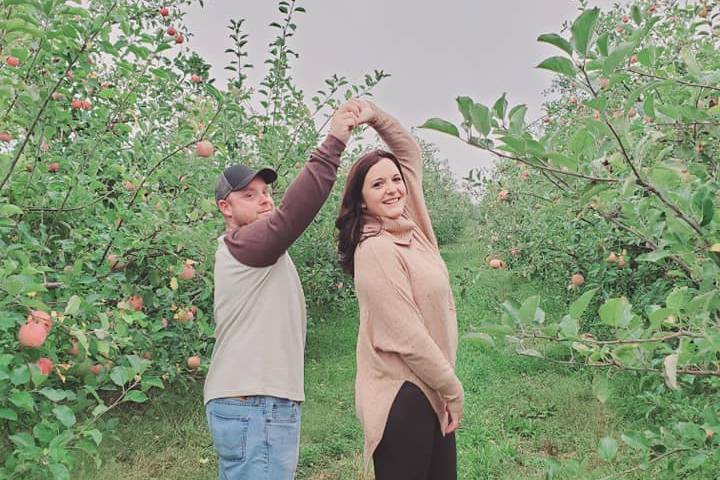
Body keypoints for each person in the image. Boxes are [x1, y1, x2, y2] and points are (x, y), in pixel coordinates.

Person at [204, 101, 360, 479]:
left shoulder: (254, 251)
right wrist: (334, 141)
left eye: (266, 192)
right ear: (226, 207)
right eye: (249, 195)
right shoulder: (246, 243)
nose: (265, 199)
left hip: (252, 403)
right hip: (256, 405)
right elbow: (294, 213)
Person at [335, 100, 464, 479]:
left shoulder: (413, 227)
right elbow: (408, 338)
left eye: (395, 180)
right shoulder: (375, 249)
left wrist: (373, 115)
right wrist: (452, 390)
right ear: (361, 198)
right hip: (403, 397)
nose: (392, 189)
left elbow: (409, 152)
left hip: (432, 387)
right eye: (378, 184)